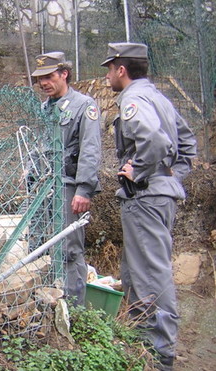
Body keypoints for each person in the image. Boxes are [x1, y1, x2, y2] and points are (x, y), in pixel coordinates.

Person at [101, 42, 197, 370]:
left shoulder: (133, 99)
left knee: (151, 274)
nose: (108, 75)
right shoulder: (159, 97)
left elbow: (154, 140)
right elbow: (187, 144)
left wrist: (140, 170)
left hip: (144, 197)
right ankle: (143, 343)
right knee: (138, 271)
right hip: (158, 194)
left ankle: (158, 355)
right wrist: (170, 177)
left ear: (122, 69)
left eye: (110, 69)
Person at [29, 51, 102, 306]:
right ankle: (44, 302)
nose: (44, 83)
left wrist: (84, 189)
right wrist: (29, 173)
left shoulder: (84, 105)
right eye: (40, 79)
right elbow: (38, 145)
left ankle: (73, 308)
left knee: (70, 249)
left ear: (64, 74)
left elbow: (90, 149)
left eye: (49, 77)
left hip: (69, 186)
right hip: (42, 187)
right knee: (38, 243)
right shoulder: (44, 109)